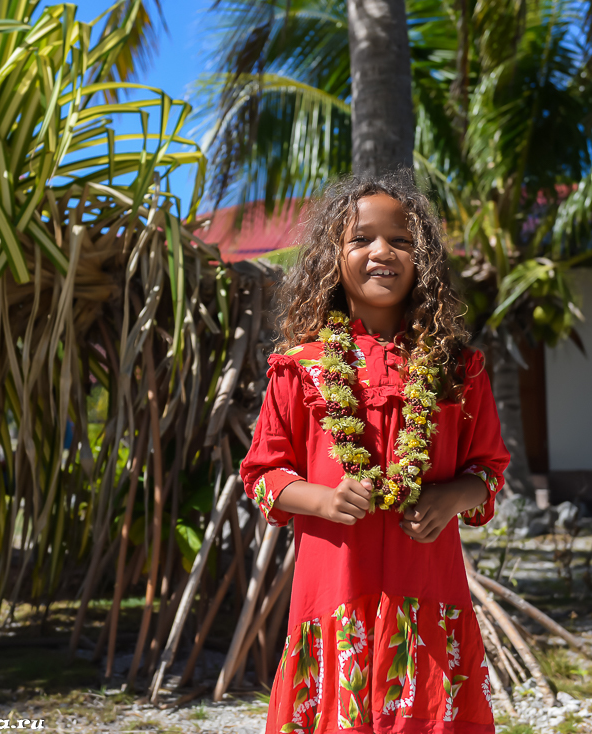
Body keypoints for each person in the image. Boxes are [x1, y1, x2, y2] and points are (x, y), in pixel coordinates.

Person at [239, 171, 511, 734]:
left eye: (402, 240)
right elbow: (263, 473)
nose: (381, 251)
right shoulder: (302, 366)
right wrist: (322, 497)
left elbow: (488, 469)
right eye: (360, 239)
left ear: (424, 259)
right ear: (331, 257)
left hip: (427, 587)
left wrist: (448, 497)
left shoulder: (458, 370)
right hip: (335, 587)